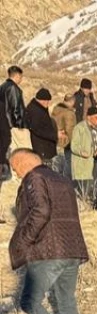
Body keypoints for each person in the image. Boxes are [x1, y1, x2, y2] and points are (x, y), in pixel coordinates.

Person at [7, 149, 89, 314]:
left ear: (25, 162)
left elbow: (41, 211)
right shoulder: (61, 179)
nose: (16, 173)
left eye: (16, 167)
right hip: (72, 248)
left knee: (29, 303)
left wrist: (23, 240)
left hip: (48, 250)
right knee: (66, 302)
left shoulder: (34, 177)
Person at [70, 106, 97, 208]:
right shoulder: (80, 128)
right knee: (86, 190)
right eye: (96, 117)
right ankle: (86, 211)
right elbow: (73, 146)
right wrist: (82, 152)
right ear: (89, 117)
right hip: (87, 163)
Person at [0, 65, 25, 209]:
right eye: (21, 76)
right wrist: (19, 126)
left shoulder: (2, 86)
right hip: (10, 128)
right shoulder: (13, 89)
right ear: (17, 75)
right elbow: (15, 110)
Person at [25, 89, 58, 164]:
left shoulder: (39, 108)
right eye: (46, 100)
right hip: (42, 149)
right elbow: (38, 129)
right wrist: (55, 135)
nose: (48, 103)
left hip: (44, 147)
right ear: (40, 100)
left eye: (48, 100)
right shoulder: (36, 111)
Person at [51, 94, 76, 176]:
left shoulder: (56, 108)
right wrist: (74, 143)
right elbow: (70, 129)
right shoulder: (69, 113)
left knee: (56, 164)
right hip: (65, 142)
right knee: (67, 165)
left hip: (55, 139)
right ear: (72, 101)